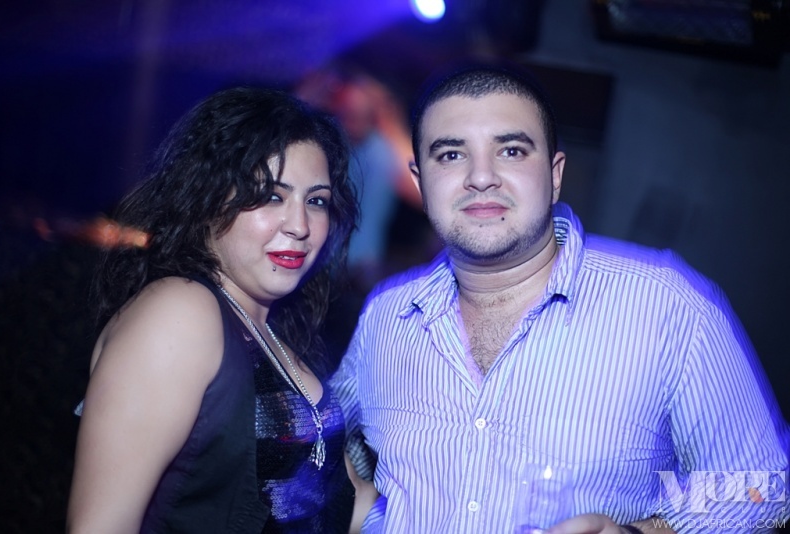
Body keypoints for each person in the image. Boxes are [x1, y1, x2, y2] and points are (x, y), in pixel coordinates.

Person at [332, 63, 789, 533]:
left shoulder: (670, 305)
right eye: (450, 155)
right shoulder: (388, 314)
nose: (481, 176)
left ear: (554, 175)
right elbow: (332, 453)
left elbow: (765, 489)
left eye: (511, 150)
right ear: (420, 181)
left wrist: (641, 533)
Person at [66, 86, 377, 533]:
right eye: (271, 195)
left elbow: (348, 505)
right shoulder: (180, 312)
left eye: (316, 201)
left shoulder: (273, 336)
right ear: (209, 198)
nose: (300, 225)